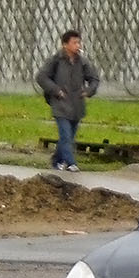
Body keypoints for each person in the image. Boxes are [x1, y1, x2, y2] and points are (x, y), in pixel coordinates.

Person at [35, 30, 101, 172]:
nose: (78, 45)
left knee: (69, 136)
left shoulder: (82, 62)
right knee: (65, 134)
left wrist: (89, 91)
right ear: (65, 44)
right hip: (60, 104)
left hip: (77, 105)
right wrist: (56, 90)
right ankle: (71, 163)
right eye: (74, 43)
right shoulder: (56, 60)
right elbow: (41, 77)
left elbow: (94, 79)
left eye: (79, 42)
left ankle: (56, 160)